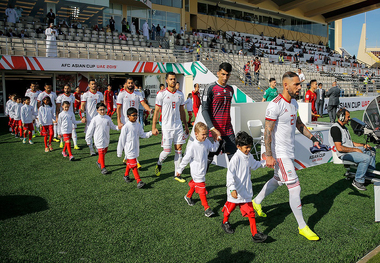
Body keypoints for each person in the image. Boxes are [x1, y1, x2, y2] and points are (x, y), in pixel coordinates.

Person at [252, 71, 320, 241]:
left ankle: (256, 201)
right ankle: (302, 226)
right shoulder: (275, 105)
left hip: (289, 151)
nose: (299, 87)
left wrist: (313, 139)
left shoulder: (294, 103)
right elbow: (267, 131)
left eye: (299, 84)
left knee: (278, 180)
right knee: (295, 187)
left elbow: (298, 124)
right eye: (296, 84)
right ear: (286, 85)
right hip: (279, 153)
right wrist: (268, 155)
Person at [221, 131, 268, 243]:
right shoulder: (236, 159)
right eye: (246, 147)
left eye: (250, 147)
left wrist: (265, 163)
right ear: (238, 147)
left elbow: (255, 165)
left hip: (246, 191)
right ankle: (225, 222)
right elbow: (230, 174)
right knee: (230, 209)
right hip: (236, 192)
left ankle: (255, 234)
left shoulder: (249, 156)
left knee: (251, 213)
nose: (248, 150)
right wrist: (232, 188)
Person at [152, 72, 189, 182]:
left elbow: (182, 110)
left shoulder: (180, 94)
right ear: (166, 81)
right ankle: (159, 163)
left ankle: (177, 174)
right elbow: (157, 111)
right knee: (167, 151)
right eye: (171, 79)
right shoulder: (161, 94)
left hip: (178, 126)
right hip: (167, 127)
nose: (173, 81)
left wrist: (186, 125)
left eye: (174, 79)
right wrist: (154, 127)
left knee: (179, 150)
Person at [176, 122, 219, 217]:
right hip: (196, 171)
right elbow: (185, 159)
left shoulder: (206, 141)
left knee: (196, 184)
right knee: (202, 189)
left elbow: (213, 148)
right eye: (203, 134)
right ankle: (206, 208)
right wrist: (179, 170)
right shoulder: (192, 147)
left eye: (206, 134)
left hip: (202, 170)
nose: (205, 136)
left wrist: (217, 141)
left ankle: (188, 196)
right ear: (196, 134)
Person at [329, 108, 376, 191]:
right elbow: (340, 148)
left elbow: (350, 143)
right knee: (366, 158)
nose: (349, 119)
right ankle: (358, 181)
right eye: (348, 117)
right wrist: (355, 150)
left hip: (349, 150)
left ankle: (368, 175)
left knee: (371, 150)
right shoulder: (335, 129)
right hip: (343, 154)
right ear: (342, 117)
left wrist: (363, 145)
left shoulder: (344, 128)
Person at [202, 62, 236, 168]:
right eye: (223, 74)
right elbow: (204, 110)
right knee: (208, 159)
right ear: (218, 73)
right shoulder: (210, 88)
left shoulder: (231, 89)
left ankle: (236, 183)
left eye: (227, 75)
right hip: (214, 131)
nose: (225, 77)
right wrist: (212, 128)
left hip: (228, 130)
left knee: (234, 159)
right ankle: (198, 182)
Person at [117, 107, 153, 189]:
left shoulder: (138, 125)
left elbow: (142, 134)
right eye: (133, 115)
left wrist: (151, 133)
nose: (135, 117)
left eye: (136, 115)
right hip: (129, 149)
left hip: (136, 148)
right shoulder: (125, 127)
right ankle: (139, 181)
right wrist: (119, 152)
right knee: (133, 165)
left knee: (130, 163)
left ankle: (126, 175)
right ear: (128, 116)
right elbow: (121, 140)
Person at [86, 103, 119, 175]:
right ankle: (103, 168)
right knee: (101, 151)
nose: (102, 111)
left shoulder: (108, 118)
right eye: (100, 110)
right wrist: (88, 139)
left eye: (103, 109)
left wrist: (118, 127)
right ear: (97, 110)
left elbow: (112, 126)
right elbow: (90, 130)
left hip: (106, 138)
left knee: (104, 151)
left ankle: (98, 162)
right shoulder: (95, 119)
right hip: (98, 139)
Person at [80, 79, 104, 156]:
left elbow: (103, 106)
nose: (94, 85)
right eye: (92, 84)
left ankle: (96, 146)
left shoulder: (100, 94)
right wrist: (83, 117)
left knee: (98, 133)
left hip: (98, 118)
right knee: (89, 134)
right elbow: (82, 106)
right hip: (89, 118)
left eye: (94, 84)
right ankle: (91, 149)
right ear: (89, 85)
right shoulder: (85, 95)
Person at [56, 84, 79, 150]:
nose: (66, 90)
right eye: (65, 88)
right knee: (63, 130)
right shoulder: (60, 97)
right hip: (63, 116)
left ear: (70, 89)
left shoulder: (72, 97)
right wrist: (57, 116)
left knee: (73, 129)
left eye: (68, 88)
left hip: (71, 116)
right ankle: (61, 141)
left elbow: (73, 106)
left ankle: (75, 144)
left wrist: (74, 114)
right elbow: (57, 108)